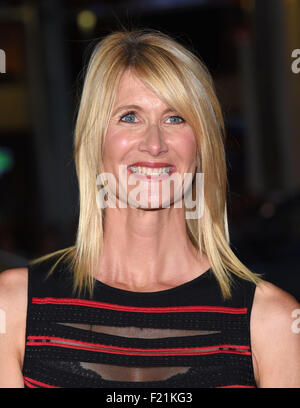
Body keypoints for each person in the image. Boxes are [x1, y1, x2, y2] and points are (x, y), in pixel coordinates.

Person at [0, 29, 299, 389]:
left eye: (175, 118)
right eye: (130, 116)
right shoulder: (14, 309)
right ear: (95, 139)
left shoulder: (273, 322)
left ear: (202, 145)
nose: (154, 144)